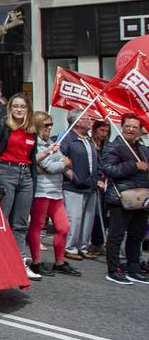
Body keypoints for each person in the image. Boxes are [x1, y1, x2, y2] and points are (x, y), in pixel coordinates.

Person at [0, 92, 39, 278]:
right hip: (5, 172)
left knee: (20, 223)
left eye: (23, 106)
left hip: (25, 175)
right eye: (15, 106)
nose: (19, 109)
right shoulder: (2, 126)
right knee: (2, 219)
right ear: (10, 109)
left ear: (28, 110)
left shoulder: (31, 130)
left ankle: (20, 261)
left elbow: (32, 158)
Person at [100, 114, 149, 285]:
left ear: (140, 130)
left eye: (134, 127)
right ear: (122, 127)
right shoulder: (115, 146)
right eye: (127, 126)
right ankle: (113, 270)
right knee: (116, 236)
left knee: (136, 236)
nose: (130, 129)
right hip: (121, 198)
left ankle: (133, 268)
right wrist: (134, 165)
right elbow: (108, 169)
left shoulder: (142, 149)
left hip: (141, 199)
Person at [27, 111, 77, 276]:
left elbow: (64, 163)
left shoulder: (51, 142)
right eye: (46, 124)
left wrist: (58, 163)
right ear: (38, 124)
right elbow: (53, 166)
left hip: (56, 191)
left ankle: (59, 261)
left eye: (51, 125)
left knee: (64, 227)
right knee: (37, 225)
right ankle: (36, 261)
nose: (49, 128)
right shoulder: (35, 143)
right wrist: (59, 163)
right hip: (41, 191)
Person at [60, 111, 100, 261]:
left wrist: (98, 177)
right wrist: (72, 176)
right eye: (86, 118)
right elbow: (60, 158)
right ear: (76, 121)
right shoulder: (68, 139)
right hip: (73, 186)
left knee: (88, 219)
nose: (90, 121)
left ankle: (82, 246)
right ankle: (69, 247)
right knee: (74, 218)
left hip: (90, 185)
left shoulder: (88, 139)